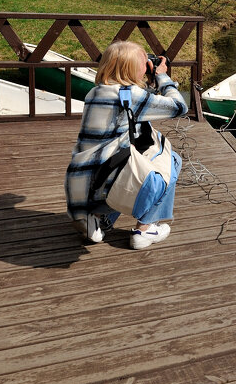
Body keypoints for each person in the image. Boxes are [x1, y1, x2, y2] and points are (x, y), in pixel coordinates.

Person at [64, 40, 188, 249]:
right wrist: (161, 76)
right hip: (111, 179)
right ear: (130, 68)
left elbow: (130, 115)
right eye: (143, 62)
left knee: (123, 155)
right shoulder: (131, 96)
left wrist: (146, 82)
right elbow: (179, 106)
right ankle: (144, 229)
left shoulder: (94, 93)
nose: (147, 64)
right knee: (170, 159)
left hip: (81, 182)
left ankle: (96, 217)